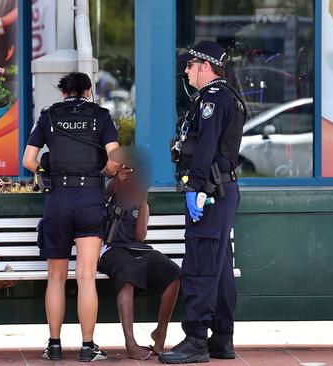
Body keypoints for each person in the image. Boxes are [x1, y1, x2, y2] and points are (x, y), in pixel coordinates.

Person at [22, 72, 120, 362]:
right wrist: (104, 171)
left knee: (56, 277)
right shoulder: (101, 116)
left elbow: (28, 160)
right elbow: (114, 162)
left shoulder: (49, 116)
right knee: (86, 276)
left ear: (63, 92)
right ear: (88, 91)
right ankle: (88, 347)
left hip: (58, 200)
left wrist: (45, 172)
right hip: (89, 198)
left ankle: (53, 346)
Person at [160, 41, 246, 364]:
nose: (186, 70)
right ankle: (222, 338)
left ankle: (196, 338)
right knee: (221, 266)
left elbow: (207, 145)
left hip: (210, 191)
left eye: (190, 64)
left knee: (199, 263)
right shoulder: (230, 98)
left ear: (205, 66)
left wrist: (196, 186)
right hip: (222, 190)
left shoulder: (212, 99)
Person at [98, 162, 180, 361]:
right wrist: (118, 179)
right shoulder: (111, 193)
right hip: (111, 250)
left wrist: (143, 204)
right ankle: (130, 342)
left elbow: (140, 237)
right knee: (127, 278)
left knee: (173, 274)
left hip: (136, 249)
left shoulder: (140, 200)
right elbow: (107, 191)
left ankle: (160, 334)